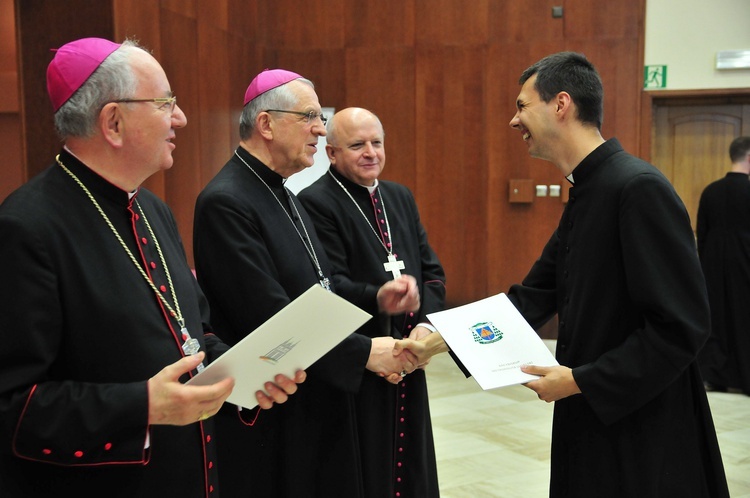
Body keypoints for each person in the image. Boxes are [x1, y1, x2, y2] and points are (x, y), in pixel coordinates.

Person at [0, 38, 303, 498]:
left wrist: (245, 372)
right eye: (165, 103)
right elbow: (12, 408)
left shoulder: (153, 211)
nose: (179, 118)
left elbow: (194, 333)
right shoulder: (26, 228)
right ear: (114, 122)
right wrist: (140, 406)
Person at [503, 52, 729, 497]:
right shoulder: (587, 189)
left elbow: (682, 326)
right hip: (592, 414)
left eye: (522, 106)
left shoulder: (637, 187)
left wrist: (582, 380)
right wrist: (440, 338)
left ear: (561, 104)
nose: (514, 121)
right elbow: (534, 295)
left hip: (643, 425)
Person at [193, 70, 420, 497]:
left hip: (314, 390)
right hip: (272, 406)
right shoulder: (226, 201)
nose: (320, 127)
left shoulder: (285, 193)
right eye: (310, 116)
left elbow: (321, 287)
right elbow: (270, 314)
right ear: (266, 124)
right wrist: (365, 352)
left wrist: (374, 300)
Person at [298, 107, 451, 497]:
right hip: (361, 363)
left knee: (411, 465)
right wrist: (379, 298)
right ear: (331, 153)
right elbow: (326, 287)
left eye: (376, 143)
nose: (371, 152)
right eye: (357, 145)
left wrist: (425, 327)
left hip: (409, 355)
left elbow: (432, 273)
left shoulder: (398, 197)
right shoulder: (314, 202)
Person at [696, 136, 750, 394]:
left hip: (712, 267)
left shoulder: (710, 191)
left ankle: (714, 375)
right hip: (745, 265)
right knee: (743, 319)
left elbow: (702, 233)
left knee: (716, 320)